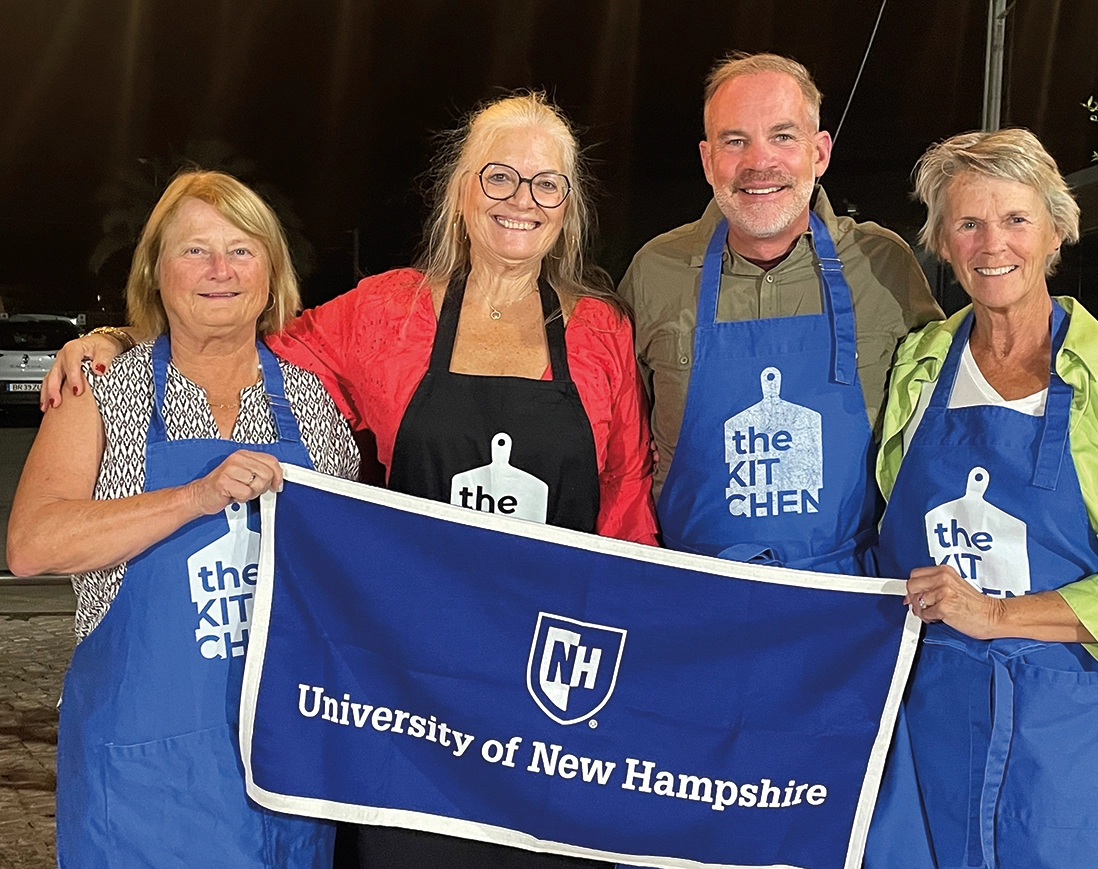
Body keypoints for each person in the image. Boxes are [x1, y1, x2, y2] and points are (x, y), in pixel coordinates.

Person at [44, 92, 656, 868]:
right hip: (413, 692)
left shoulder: (601, 330)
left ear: (567, 207)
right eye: (499, 177)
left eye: (546, 184)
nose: (521, 202)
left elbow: (628, 513)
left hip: (554, 696)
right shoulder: (387, 313)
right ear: (462, 191)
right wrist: (124, 338)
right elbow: (245, 337)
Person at [8, 170, 360, 868]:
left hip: (281, 775)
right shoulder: (105, 391)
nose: (220, 270)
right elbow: (31, 542)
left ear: (272, 270)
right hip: (142, 787)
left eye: (241, 249)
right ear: (156, 272)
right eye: (194, 250)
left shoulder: (315, 404)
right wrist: (195, 497)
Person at [870, 128, 1098, 868]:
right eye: (969, 222)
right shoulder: (919, 369)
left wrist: (994, 615)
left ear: (1058, 230)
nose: (994, 243)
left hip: (1081, 749)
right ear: (945, 244)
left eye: (1016, 219)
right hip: (937, 732)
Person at [618, 52, 942, 573]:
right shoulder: (658, 271)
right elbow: (617, 440)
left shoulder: (883, 266)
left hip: (845, 595)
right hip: (693, 588)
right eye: (735, 140)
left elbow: (940, 417)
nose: (759, 162)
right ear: (707, 160)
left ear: (820, 152)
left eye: (783, 136)